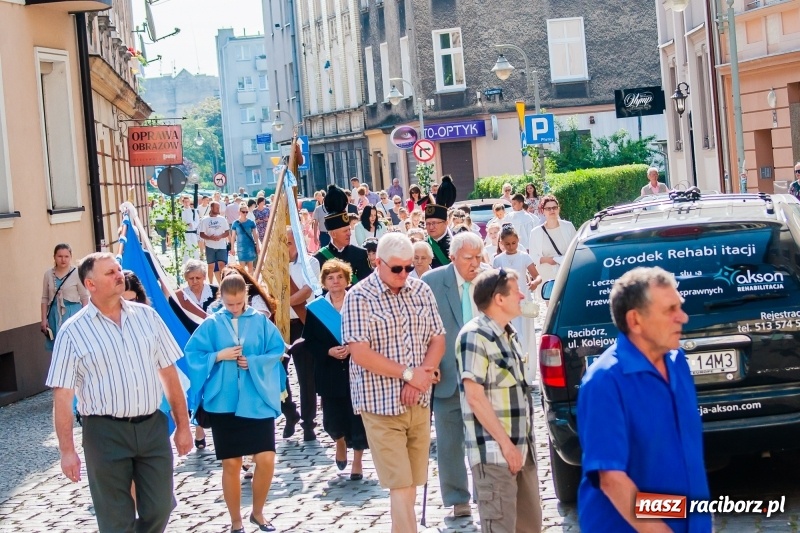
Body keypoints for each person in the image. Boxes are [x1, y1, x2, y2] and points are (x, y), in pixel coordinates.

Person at [46, 252, 192, 532]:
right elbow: (62, 397)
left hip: (151, 427)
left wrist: (183, 425)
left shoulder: (147, 317)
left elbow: (170, 375)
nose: (119, 275)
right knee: (115, 519)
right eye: (110, 273)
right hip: (104, 433)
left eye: (118, 269)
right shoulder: (72, 332)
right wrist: (67, 450)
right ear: (90, 285)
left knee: (161, 506)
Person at [577, 267, 711, 532]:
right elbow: (612, 479)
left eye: (680, 307)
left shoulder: (677, 362)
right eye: (669, 310)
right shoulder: (604, 382)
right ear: (635, 321)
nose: (682, 317)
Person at [342, 232, 445, 533]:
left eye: (409, 268)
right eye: (397, 268)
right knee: (400, 485)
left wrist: (422, 375)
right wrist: (408, 374)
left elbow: (438, 337)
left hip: (420, 401)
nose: (404, 274)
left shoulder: (421, 291)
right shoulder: (359, 296)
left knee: (412, 483)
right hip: (381, 405)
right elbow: (360, 353)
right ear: (378, 262)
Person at [184, 273, 286, 533]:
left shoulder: (260, 322)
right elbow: (192, 354)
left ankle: (258, 513)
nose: (234, 308)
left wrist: (252, 362)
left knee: (266, 459)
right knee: (231, 463)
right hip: (224, 403)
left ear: (246, 297)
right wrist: (219, 355)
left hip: (256, 399)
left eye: (239, 303)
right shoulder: (212, 324)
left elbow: (277, 351)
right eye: (229, 304)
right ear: (222, 299)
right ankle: (235, 521)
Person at [456, 268, 543, 533]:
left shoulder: (510, 333)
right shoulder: (474, 336)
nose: (521, 295)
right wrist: (506, 446)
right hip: (495, 455)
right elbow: (475, 397)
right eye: (516, 291)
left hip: (521, 450)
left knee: (530, 528)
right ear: (499, 299)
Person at [421, 232, 485, 518]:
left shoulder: (489, 279)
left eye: (479, 257)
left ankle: (487, 492)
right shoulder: (432, 282)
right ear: (453, 256)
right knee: (448, 443)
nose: (475, 263)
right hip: (445, 374)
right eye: (469, 258)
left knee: (486, 439)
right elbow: (419, 329)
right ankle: (458, 498)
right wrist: (426, 365)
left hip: (484, 376)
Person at [303, 259, 368, 480]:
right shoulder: (316, 309)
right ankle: (339, 441)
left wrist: (354, 347)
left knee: (357, 417)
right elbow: (309, 341)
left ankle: (357, 461)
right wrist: (328, 351)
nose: (336, 281)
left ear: (347, 280)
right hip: (329, 371)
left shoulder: (359, 303)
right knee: (332, 417)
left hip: (357, 370)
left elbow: (370, 333)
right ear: (324, 282)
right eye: (330, 277)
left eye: (340, 277)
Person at [285, 228, 321, 441]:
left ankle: (309, 422)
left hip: (302, 321)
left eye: (288, 243)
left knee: (306, 375)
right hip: (280, 323)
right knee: (278, 374)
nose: (285, 247)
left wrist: (283, 303)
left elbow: (307, 291)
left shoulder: (311, 263)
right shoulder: (273, 265)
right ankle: (290, 413)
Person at [493, 225, 542, 362]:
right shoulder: (498, 260)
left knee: (525, 334)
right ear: (501, 243)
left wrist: (534, 283)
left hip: (524, 301)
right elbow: (494, 280)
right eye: (507, 244)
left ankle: (527, 365)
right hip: (506, 303)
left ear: (518, 241)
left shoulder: (524, 257)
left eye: (513, 243)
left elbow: (537, 276)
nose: (511, 246)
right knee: (510, 334)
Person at [313, 185, 373, 284]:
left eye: (349, 230)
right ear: (333, 234)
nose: (349, 234)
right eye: (345, 231)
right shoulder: (319, 258)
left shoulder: (361, 254)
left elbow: (367, 286)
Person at [41, 244, 88, 351]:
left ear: (70, 257)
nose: (63, 259)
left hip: (73, 313)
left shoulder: (77, 273)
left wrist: (86, 317)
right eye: (60, 256)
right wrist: (44, 319)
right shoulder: (48, 274)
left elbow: (84, 297)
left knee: (76, 346)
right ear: (54, 257)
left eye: (66, 256)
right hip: (54, 315)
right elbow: (44, 298)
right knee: (58, 349)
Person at [528, 194, 577, 293]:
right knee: (551, 305)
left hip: (566, 271)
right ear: (543, 211)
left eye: (554, 207)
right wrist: (548, 260)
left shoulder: (568, 226)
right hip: (547, 275)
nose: (552, 211)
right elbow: (532, 257)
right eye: (548, 208)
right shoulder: (536, 232)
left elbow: (576, 248)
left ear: (558, 209)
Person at [424, 175, 457, 268]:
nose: (431, 227)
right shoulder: (423, 244)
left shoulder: (456, 242)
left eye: (434, 223)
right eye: (428, 224)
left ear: (446, 223)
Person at [199, 201, 230, 284]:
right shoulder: (205, 220)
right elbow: (201, 234)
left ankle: (223, 283)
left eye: (218, 208)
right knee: (210, 266)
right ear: (211, 208)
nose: (218, 209)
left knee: (222, 265)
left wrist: (220, 236)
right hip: (210, 246)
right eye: (216, 207)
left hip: (221, 246)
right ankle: (211, 283)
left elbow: (227, 232)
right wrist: (209, 238)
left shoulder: (222, 219)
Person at [230, 203, 260, 275]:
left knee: (250, 268)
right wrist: (232, 248)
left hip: (250, 247)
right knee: (242, 268)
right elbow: (233, 236)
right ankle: (243, 283)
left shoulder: (251, 222)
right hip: (241, 248)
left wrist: (258, 246)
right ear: (239, 212)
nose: (245, 213)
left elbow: (255, 235)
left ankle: (251, 283)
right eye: (243, 212)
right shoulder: (235, 223)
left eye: (246, 212)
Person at [180, 195, 201, 261]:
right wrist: (183, 225)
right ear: (183, 202)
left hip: (192, 232)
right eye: (185, 202)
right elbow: (178, 221)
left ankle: (195, 261)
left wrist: (192, 224)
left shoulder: (193, 211)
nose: (186, 203)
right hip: (184, 233)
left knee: (194, 248)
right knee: (185, 248)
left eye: (188, 202)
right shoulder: (180, 211)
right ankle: (185, 262)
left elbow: (197, 221)